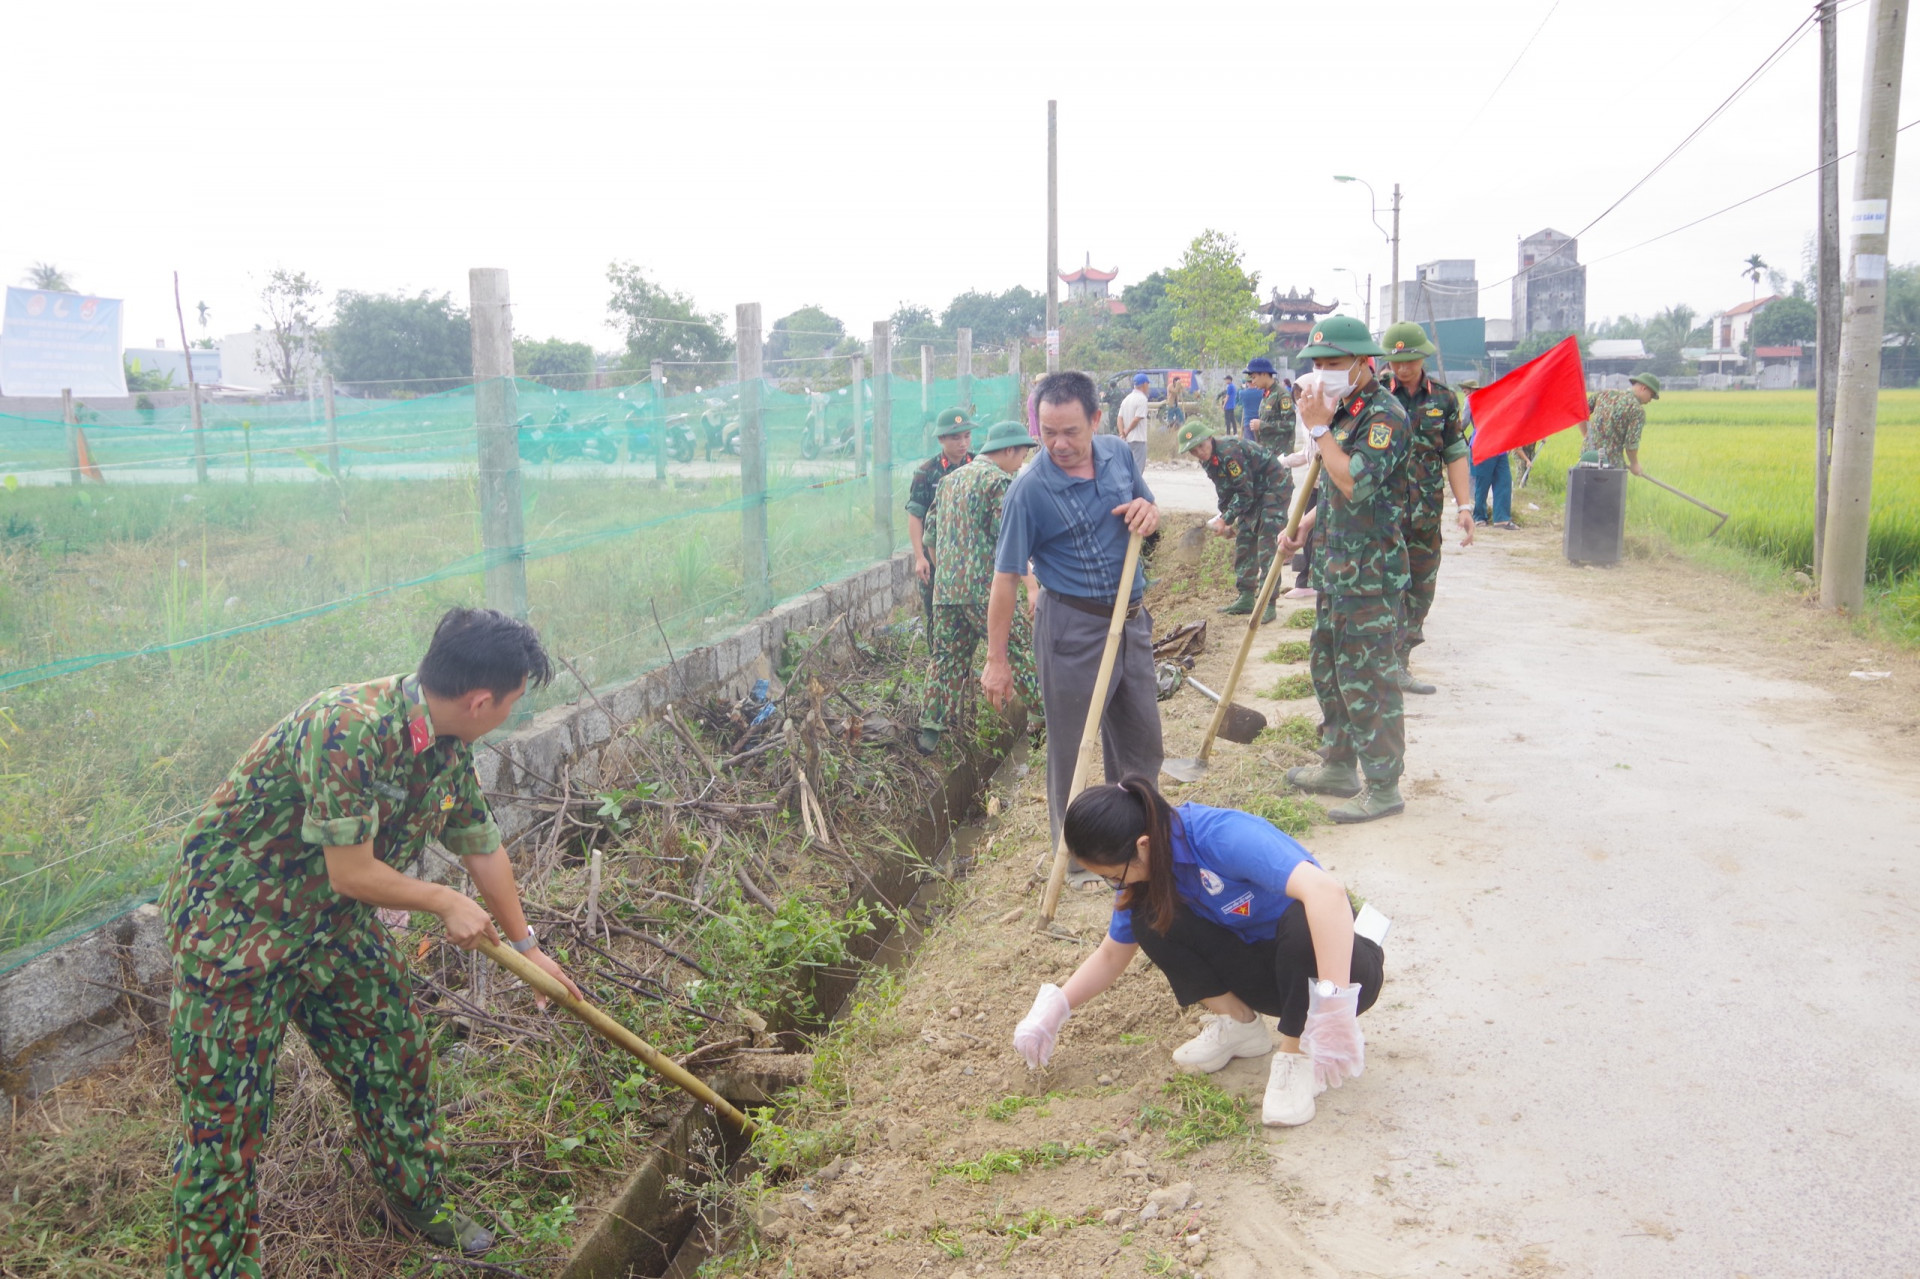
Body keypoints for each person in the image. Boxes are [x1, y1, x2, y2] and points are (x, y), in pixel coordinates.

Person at [162, 608, 584, 1274]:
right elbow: (351, 869)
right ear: (480, 700)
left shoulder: (444, 743)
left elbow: (480, 844)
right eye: (510, 702)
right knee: (225, 1125)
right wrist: (443, 900)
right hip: (236, 933)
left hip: (328, 924)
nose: (506, 712)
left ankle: (418, 1200)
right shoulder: (349, 728)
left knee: (394, 1051)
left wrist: (527, 946)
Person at [1012, 776, 1384, 1127]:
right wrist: (1057, 1006)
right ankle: (1240, 1027)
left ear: (1142, 845)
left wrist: (1332, 1007)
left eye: (1113, 875)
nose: (1115, 884)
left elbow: (1328, 895)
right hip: (1269, 975)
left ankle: (1297, 1054)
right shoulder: (1147, 871)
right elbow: (1112, 954)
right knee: (1148, 917)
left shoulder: (1221, 836)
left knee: (1302, 917)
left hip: (1335, 972)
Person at [985, 371, 1161, 880]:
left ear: (1096, 421)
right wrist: (996, 661)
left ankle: (1136, 840)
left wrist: (1148, 514)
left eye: (1070, 432)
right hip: (1073, 629)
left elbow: (1150, 513)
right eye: (1047, 432)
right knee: (1073, 747)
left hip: (1131, 620)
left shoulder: (1118, 455)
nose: (1058, 444)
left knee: (1141, 740)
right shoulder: (1029, 490)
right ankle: (1078, 857)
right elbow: (1005, 580)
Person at [1276, 315, 1411, 824]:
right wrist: (1306, 525)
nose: (1323, 373)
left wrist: (1318, 429)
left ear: (1362, 364)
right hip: (1336, 568)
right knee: (1329, 671)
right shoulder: (1344, 411)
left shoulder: (1384, 416)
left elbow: (1356, 483)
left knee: (1368, 679)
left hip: (1370, 577)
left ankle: (1383, 784)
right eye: (1318, 364)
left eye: (1334, 364)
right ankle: (1337, 764)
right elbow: (1332, 489)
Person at [918, 421, 1044, 755]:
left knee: (945, 658)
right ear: (1007, 450)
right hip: (986, 592)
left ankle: (931, 731)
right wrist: (1032, 586)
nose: (1021, 463)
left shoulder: (948, 481)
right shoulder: (999, 483)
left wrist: (949, 572)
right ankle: (1046, 716)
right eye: (1020, 455)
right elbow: (1013, 541)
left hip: (946, 591)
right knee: (1018, 648)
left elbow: (930, 537)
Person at [1379, 322, 1475, 697]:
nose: (1403, 369)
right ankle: (1381, 664)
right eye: (1396, 361)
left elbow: (1454, 453)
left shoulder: (1445, 400)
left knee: (1420, 588)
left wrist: (1464, 506)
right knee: (1386, 587)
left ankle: (1400, 661)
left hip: (1424, 513)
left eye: (1410, 361)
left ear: (1423, 357)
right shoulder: (1373, 397)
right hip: (1382, 514)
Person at [1177, 420, 1292, 621]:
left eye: (1201, 446)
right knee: (1245, 541)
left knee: (1267, 545)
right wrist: (1226, 519)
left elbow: (1244, 493)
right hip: (1253, 492)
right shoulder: (1208, 460)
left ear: (1210, 438)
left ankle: (1268, 603)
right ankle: (1246, 597)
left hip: (1273, 488)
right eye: (1193, 451)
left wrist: (1226, 519)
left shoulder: (1229, 453)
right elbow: (1225, 492)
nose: (1199, 453)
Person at [907, 407, 976, 620]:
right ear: (941, 439)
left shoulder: (979, 466)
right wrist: (920, 557)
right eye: (956, 438)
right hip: (937, 555)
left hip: (974, 555)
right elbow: (916, 516)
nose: (963, 443)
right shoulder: (926, 472)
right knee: (937, 616)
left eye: (967, 436)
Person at [1462, 380, 1518, 529]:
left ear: (1473, 390)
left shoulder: (1472, 400)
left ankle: (1501, 519)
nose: (1465, 393)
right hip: (1486, 445)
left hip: (1496, 446)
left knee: (1502, 481)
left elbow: (1463, 423)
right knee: (1485, 482)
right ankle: (1480, 517)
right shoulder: (1494, 399)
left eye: (1466, 390)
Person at [1582, 373, 1660, 473]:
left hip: (1587, 458)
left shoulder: (1605, 393)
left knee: (1585, 488)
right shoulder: (1637, 410)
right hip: (1611, 465)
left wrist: (1587, 436)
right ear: (1643, 388)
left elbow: (1581, 413)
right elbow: (1630, 445)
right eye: (1651, 395)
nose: (1650, 400)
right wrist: (1634, 464)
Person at [1252, 365, 1297, 454]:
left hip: (1280, 454)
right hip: (1267, 452)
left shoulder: (1282, 395)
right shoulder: (1267, 395)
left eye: (1254, 377)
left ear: (1264, 374)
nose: (1253, 382)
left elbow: (1290, 424)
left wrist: (1262, 425)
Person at [1117, 372, 1153, 473]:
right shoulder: (1142, 399)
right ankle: (1134, 488)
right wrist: (1127, 431)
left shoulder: (1126, 399)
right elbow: (1137, 418)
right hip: (1138, 439)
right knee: (1137, 470)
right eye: (1148, 385)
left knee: (1128, 468)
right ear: (1144, 384)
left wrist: (1122, 434)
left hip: (1127, 440)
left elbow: (1119, 418)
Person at [1238, 358, 1274, 443]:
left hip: (1249, 423)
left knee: (1250, 448)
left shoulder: (1242, 393)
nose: (1253, 381)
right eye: (1252, 379)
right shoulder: (1263, 393)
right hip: (1259, 424)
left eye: (1254, 377)